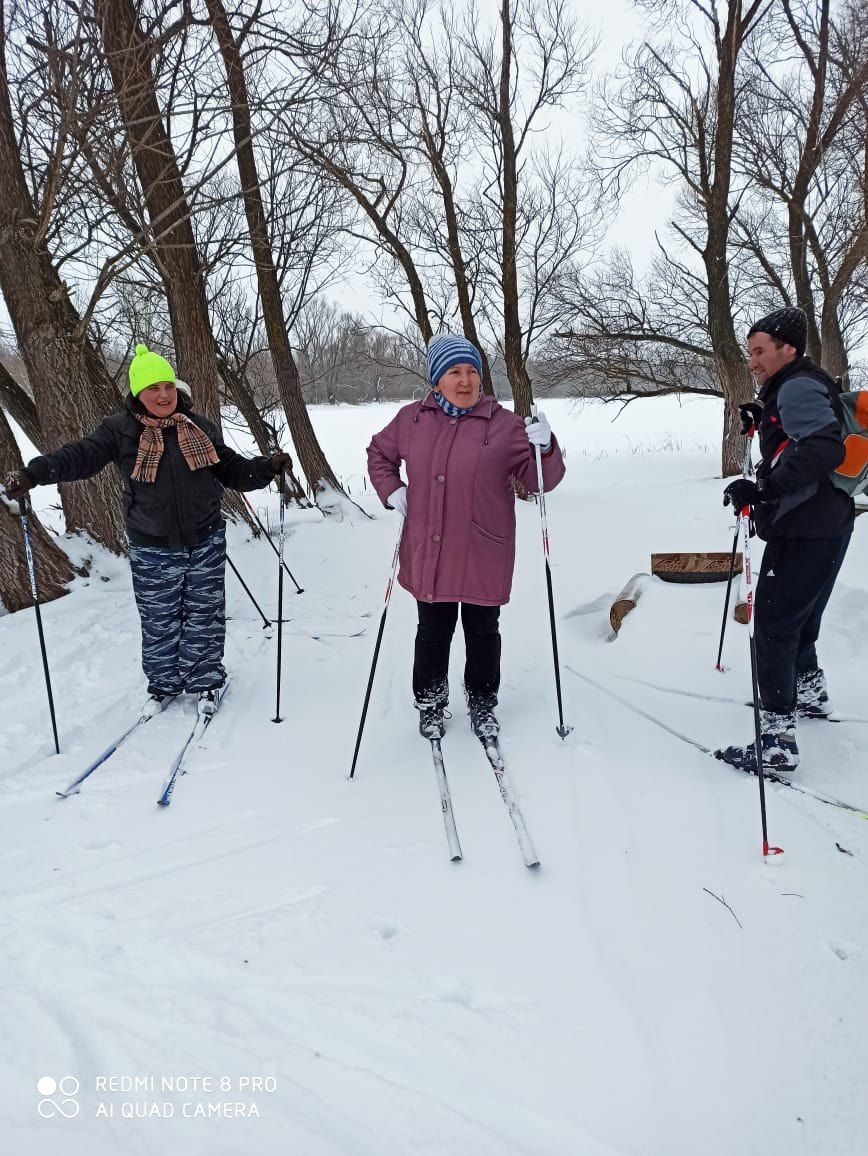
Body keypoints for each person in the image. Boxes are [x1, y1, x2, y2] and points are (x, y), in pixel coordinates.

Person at [4, 344, 291, 717]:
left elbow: (232, 469)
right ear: (137, 393)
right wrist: (34, 474)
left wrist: (266, 466)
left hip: (204, 541)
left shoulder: (198, 427)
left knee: (205, 616)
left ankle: (205, 683)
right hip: (152, 547)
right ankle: (163, 686)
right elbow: (80, 456)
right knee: (159, 621)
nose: (163, 395)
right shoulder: (120, 431)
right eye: (153, 388)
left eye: (168, 387)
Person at [366, 333, 565, 741]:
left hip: (482, 550)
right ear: (436, 378)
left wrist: (544, 449)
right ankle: (430, 701)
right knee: (432, 633)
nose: (465, 380)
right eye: (454, 371)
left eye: (472, 371)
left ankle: (482, 701)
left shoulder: (506, 425)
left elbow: (538, 481)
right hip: (430, 549)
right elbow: (378, 453)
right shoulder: (411, 420)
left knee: (483, 633)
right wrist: (392, 490)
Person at [717, 307, 854, 772]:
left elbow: (823, 446)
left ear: (787, 349)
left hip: (805, 525)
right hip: (830, 522)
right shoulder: (799, 382)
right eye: (749, 351)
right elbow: (801, 436)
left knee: (774, 625)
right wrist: (765, 417)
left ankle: (777, 740)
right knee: (801, 616)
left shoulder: (794, 386)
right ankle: (811, 693)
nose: (752, 360)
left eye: (759, 351)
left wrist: (762, 488)